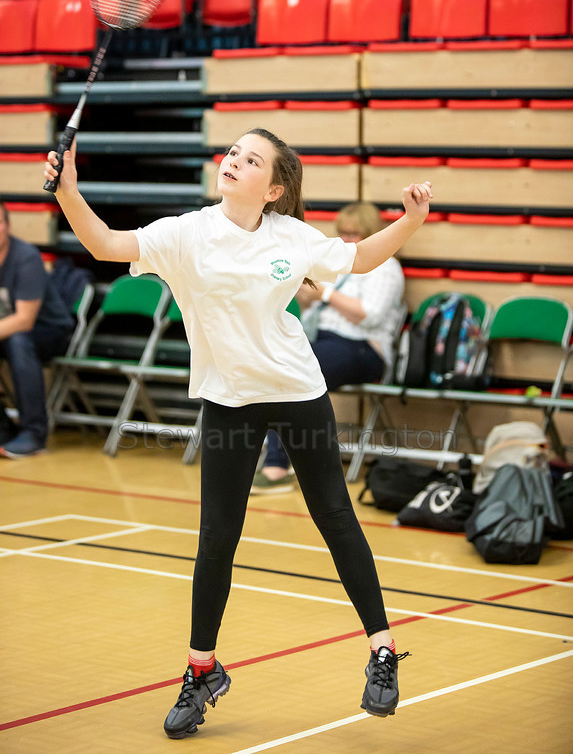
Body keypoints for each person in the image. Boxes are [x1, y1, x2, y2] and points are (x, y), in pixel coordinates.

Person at [44, 128, 432, 738]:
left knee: (334, 514)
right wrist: (67, 190)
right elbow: (104, 244)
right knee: (217, 538)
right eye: (232, 153)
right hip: (228, 398)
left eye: (251, 160)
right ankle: (202, 671)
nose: (233, 161)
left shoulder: (291, 237)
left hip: (298, 389)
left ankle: (382, 652)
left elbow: (356, 259)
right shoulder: (185, 233)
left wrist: (410, 220)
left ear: (273, 188)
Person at [252, 202, 405, 494]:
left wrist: (327, 293)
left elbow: (368, 315)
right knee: (277, 369)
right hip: (324, 340)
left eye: (355, 234)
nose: (347, 240)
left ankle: (277, 465)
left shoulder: (386, 265)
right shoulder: (338, 263)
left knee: (293, 374)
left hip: (363, 348)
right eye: (343, 233)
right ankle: (283, 461)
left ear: (371, 233)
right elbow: (313, 306)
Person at [0, 202, 74, 458]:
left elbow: (24, 320)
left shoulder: (25, 257)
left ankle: (34, 434)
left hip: (50, 332)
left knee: (18, 340)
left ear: (7, 226)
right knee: (13, 340)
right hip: (7, 332)